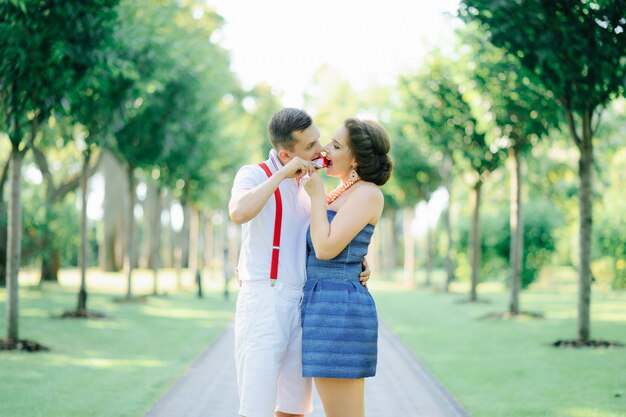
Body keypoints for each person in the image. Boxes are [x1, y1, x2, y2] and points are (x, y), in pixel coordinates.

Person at [228, 108, 369, 417]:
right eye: (310, 146)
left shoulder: (311, 187)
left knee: (294, 408)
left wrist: (360, 260)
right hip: (265, 300)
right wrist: (281, 175)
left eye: (319, 140)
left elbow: (320, 237)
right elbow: (238, 213)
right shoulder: (253, 174)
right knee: (256, 407)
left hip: (303, 304)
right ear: (285, 153)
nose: (320, 150)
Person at [301, 117, 393, 417]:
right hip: (321, 304)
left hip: (338, 311)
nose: (326, 148)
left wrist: (315, 195)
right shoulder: (341, 192)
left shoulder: (367, 193)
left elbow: (326, 249)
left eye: (336, 145)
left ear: (356, 159)